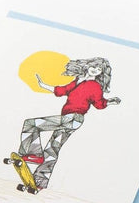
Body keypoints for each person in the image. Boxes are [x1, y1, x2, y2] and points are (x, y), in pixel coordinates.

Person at [18, 57, 121, 190]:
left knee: (32, 124)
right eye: (94, 66)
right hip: (68, 119)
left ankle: (33, 154)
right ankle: (39, 181)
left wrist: (110, 102)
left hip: (74, 118)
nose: (95, 70)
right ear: (87, 66)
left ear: (101, 73)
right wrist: (43, 85)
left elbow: (99, 104)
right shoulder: (78, 81)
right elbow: (61, 91)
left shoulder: (95, 86)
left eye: (99, 69)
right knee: (52, 148)